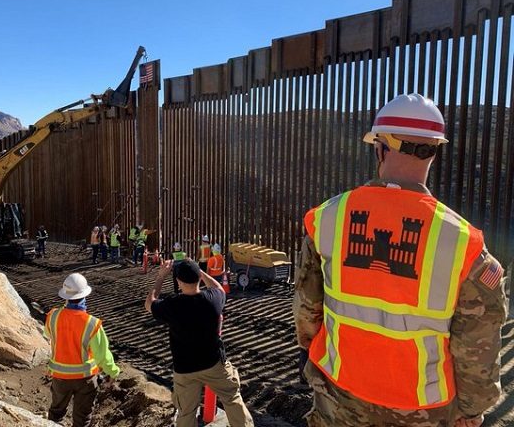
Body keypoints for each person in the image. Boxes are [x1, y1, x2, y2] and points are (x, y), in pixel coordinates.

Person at [293, 94, 507, 427]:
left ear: (380, 148)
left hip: (340, 396)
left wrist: (312, 348)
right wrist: (471, 409)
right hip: (422, 410)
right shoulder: (464, 243)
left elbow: (307, 312)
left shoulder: (327, 219)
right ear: (434, 152)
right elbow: (477, 348)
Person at [145, 259, 254, 427]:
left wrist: (160, 276)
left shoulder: (172, 306)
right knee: (232, 399)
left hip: (185, 368)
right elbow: (218, 288)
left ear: (178, 281)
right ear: (198, 278)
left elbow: (149, 302)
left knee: (186, 412)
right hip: (213, 363)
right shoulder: (212, 300)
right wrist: (200, 272)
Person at [44, 273, 120, 427]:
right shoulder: (92, 324)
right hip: (85, 379)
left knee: (56, 413)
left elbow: (48, 333)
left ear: (65, 295)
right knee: (82, 419)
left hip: (60, 378)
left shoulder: (52, 316)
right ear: (85, 295)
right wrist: (113, 372)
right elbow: (102, 355)